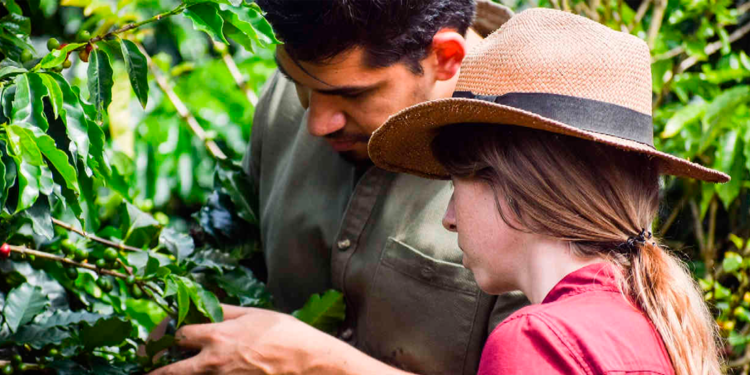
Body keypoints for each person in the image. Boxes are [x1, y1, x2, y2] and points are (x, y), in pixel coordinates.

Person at [149, 1, 528, 374]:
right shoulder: (297, 91)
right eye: (299, 84)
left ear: (445, 58)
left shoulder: (539, 174)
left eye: (353, 95)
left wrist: (314, 363)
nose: (316, 123)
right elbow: (226, 259)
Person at [368, 8, 727, 375]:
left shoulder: (538, 341)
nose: (449, 219)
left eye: (456, 185)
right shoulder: (657, 326)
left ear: (517, 186)